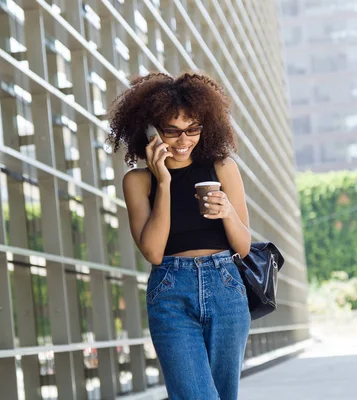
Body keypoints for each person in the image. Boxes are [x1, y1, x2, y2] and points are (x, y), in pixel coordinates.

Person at [108, 72, 252, 400]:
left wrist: (227, 211)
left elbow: (243, 248)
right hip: (171, 292)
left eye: (193, 129)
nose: (183, 140)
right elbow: (154, 252)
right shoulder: (138, 182)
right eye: (172, 131)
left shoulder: (223, 167)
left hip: (225, 286)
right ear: (150, 130)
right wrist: (164, 182)